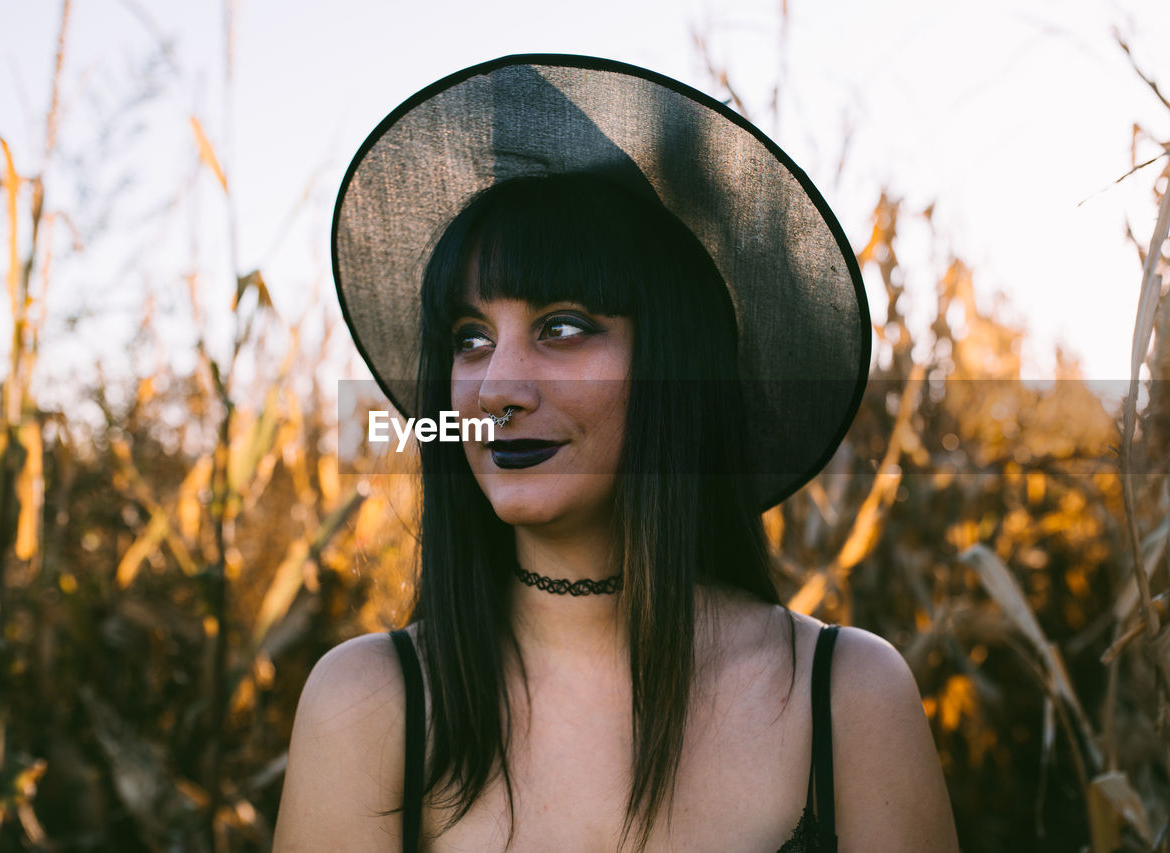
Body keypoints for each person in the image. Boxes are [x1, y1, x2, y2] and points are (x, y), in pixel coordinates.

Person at [275, 56, 960, 852]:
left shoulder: (848, 699)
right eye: (470, 338)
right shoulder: (370, 707)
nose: (496, 387)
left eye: (563, 326)